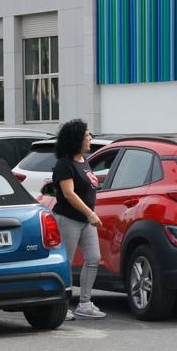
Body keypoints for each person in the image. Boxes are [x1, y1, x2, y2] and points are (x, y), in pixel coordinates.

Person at [51, 119, 104, 319]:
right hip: (68, 219)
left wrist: (89, 216)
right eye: (86, 135)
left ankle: (85, 303)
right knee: (66, 262)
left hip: (85, 220)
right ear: (76, 140)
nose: (90, 138)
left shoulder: (84, 160)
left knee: (93, 258)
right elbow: (69, 194)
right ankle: (60, 305)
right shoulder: (64, 164)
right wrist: (90, 214)